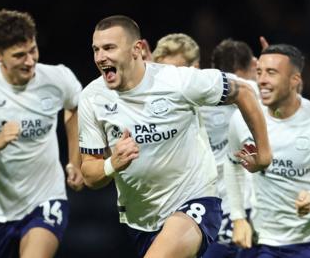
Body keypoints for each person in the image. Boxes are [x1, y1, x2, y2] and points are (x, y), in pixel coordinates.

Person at [78, 15, 272, 258]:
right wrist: (112, 163)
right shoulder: (92, 98)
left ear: (136, 49)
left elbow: (242, 91)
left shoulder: (176, 81)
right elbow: (89, 173)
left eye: (109, 48)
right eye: (96, 50)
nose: (100, 57)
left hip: (195, 200)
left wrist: (264, 154)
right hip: (140, 220)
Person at [0, 9, 84, 258]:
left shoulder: (57, 78)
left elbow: (73, 108)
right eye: (19, 55)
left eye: (33, 50)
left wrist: (75, 160)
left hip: (47, 197)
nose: (30, 61)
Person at [225, 44, 310, 257]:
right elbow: (233, 165)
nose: (262, 80)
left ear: (295, 80)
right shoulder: (243, 118)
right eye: (259, 72)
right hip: (266, 242)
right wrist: (237, 217)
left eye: (271, 73)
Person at [153, 34, 258, 258]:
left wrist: (265, 70)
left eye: (177, 70)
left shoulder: (220, 87)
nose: (169, 80)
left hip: (232, 205)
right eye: (163, 72)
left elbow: (272, 97)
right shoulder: (154, 105)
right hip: (184, 209)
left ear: (196, 68)